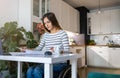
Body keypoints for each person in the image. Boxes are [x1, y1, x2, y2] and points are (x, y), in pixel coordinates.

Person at [26, 12, 69, 78]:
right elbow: (39, 48)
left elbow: (67, 50)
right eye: (45, 23)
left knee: (37, 70)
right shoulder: (45, 35)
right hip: (47, 61)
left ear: (53, 21)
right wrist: (29, 50)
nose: (46, 25)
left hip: (60, 63)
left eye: (48, 22)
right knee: (30, 70)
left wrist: (58, 50)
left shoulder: (62, 33)